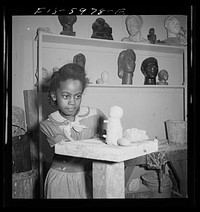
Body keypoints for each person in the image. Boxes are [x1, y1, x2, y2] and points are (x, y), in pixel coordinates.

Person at [40, 63, 107, 198]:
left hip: (87, 178)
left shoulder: (94, 115)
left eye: (78, 96)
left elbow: (109, 131)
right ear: (54, 95)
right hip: (61, 181)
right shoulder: (48, 124)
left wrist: (108, 131)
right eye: (66, 96)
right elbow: (71, 150)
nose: (72, 102)